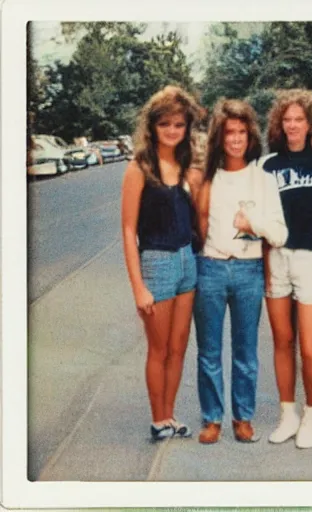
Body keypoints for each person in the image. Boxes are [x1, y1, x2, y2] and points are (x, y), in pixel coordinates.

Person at [194, 99, 288, 444]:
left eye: (242, 133)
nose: (235, 139)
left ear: (251, 137)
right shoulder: (208, 178)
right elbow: (197, 225)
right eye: (229, 132)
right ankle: (212, 418)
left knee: (246, 351)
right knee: (209, 350)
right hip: (210, 269)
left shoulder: (262, 178)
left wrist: (254, 223)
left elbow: (280, 233)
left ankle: (242, 417)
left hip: (249, 270)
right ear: (219, 137)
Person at [121, 85, 203, 441]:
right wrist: (139, 287)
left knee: (179, 344)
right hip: (156, 262)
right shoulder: (139, 168)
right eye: (165, 123)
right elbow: (127, 230)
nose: (172, 130)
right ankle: (158, 420)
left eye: (179, 125)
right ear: (152, 126)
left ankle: (170, 416)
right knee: (158, 347)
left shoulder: (187, 166)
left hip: (188, 260)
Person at [261, 89, 312, 449]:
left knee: (309, 347)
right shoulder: (268, 165)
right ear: (280, 123)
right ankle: (287, 414)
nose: (292, 125)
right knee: (282, 340)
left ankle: (311, 413)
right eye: (286, 119)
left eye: (298, 119)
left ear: (309, 124)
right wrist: (264, 266)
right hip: (277, 257)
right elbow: (262, 220)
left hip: (309, 259)